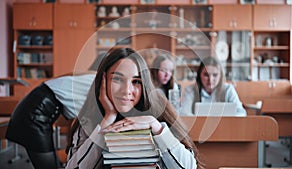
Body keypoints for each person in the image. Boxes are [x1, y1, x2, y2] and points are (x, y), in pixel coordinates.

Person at [65, 48, 203, 169]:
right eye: (117, 79)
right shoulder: (89, 119)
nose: (127, 91)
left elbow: (189, 166)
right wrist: (107, 120)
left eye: (136, 82)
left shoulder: (159, 110)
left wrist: (156, 127)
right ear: (103, 80)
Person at [5, 54, 104, 169]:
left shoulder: (85, 76)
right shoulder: (96, 81)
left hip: (34, 109)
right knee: (48, 165)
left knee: (52, 164)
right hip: (34, 114)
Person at [181, 56, 247, 116]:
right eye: (206, 75)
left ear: (220, 76)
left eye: (215, 75)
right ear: (199, 75)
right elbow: (184, 114)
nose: (210, 79)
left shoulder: (228, 89)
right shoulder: (190, 90)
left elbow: (241, 113)